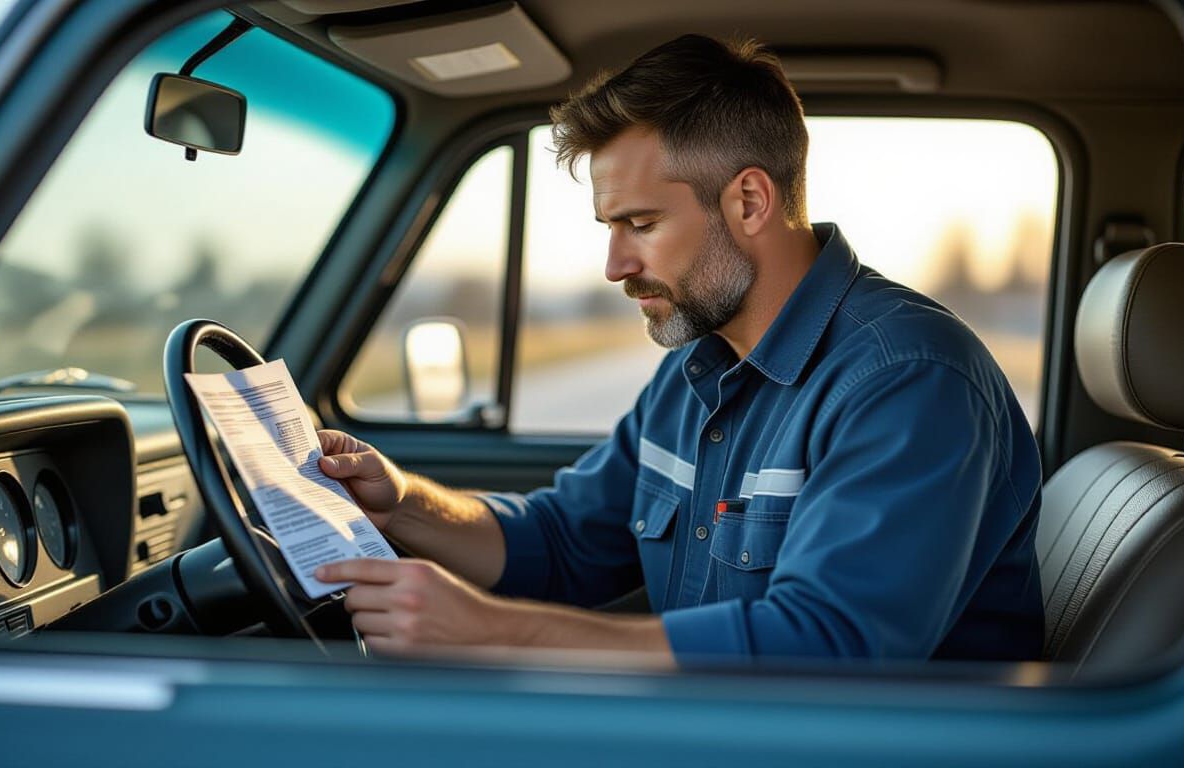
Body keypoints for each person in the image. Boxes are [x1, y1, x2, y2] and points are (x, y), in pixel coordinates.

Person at [312, 34, 1044, 666]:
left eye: (641, 223)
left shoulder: (910, 379)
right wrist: (403, 505)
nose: (615, 265)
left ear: (750, 202)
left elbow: (828, 649)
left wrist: (495, 633)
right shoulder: (696, 369)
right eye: (610, 226)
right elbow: (564, 543)